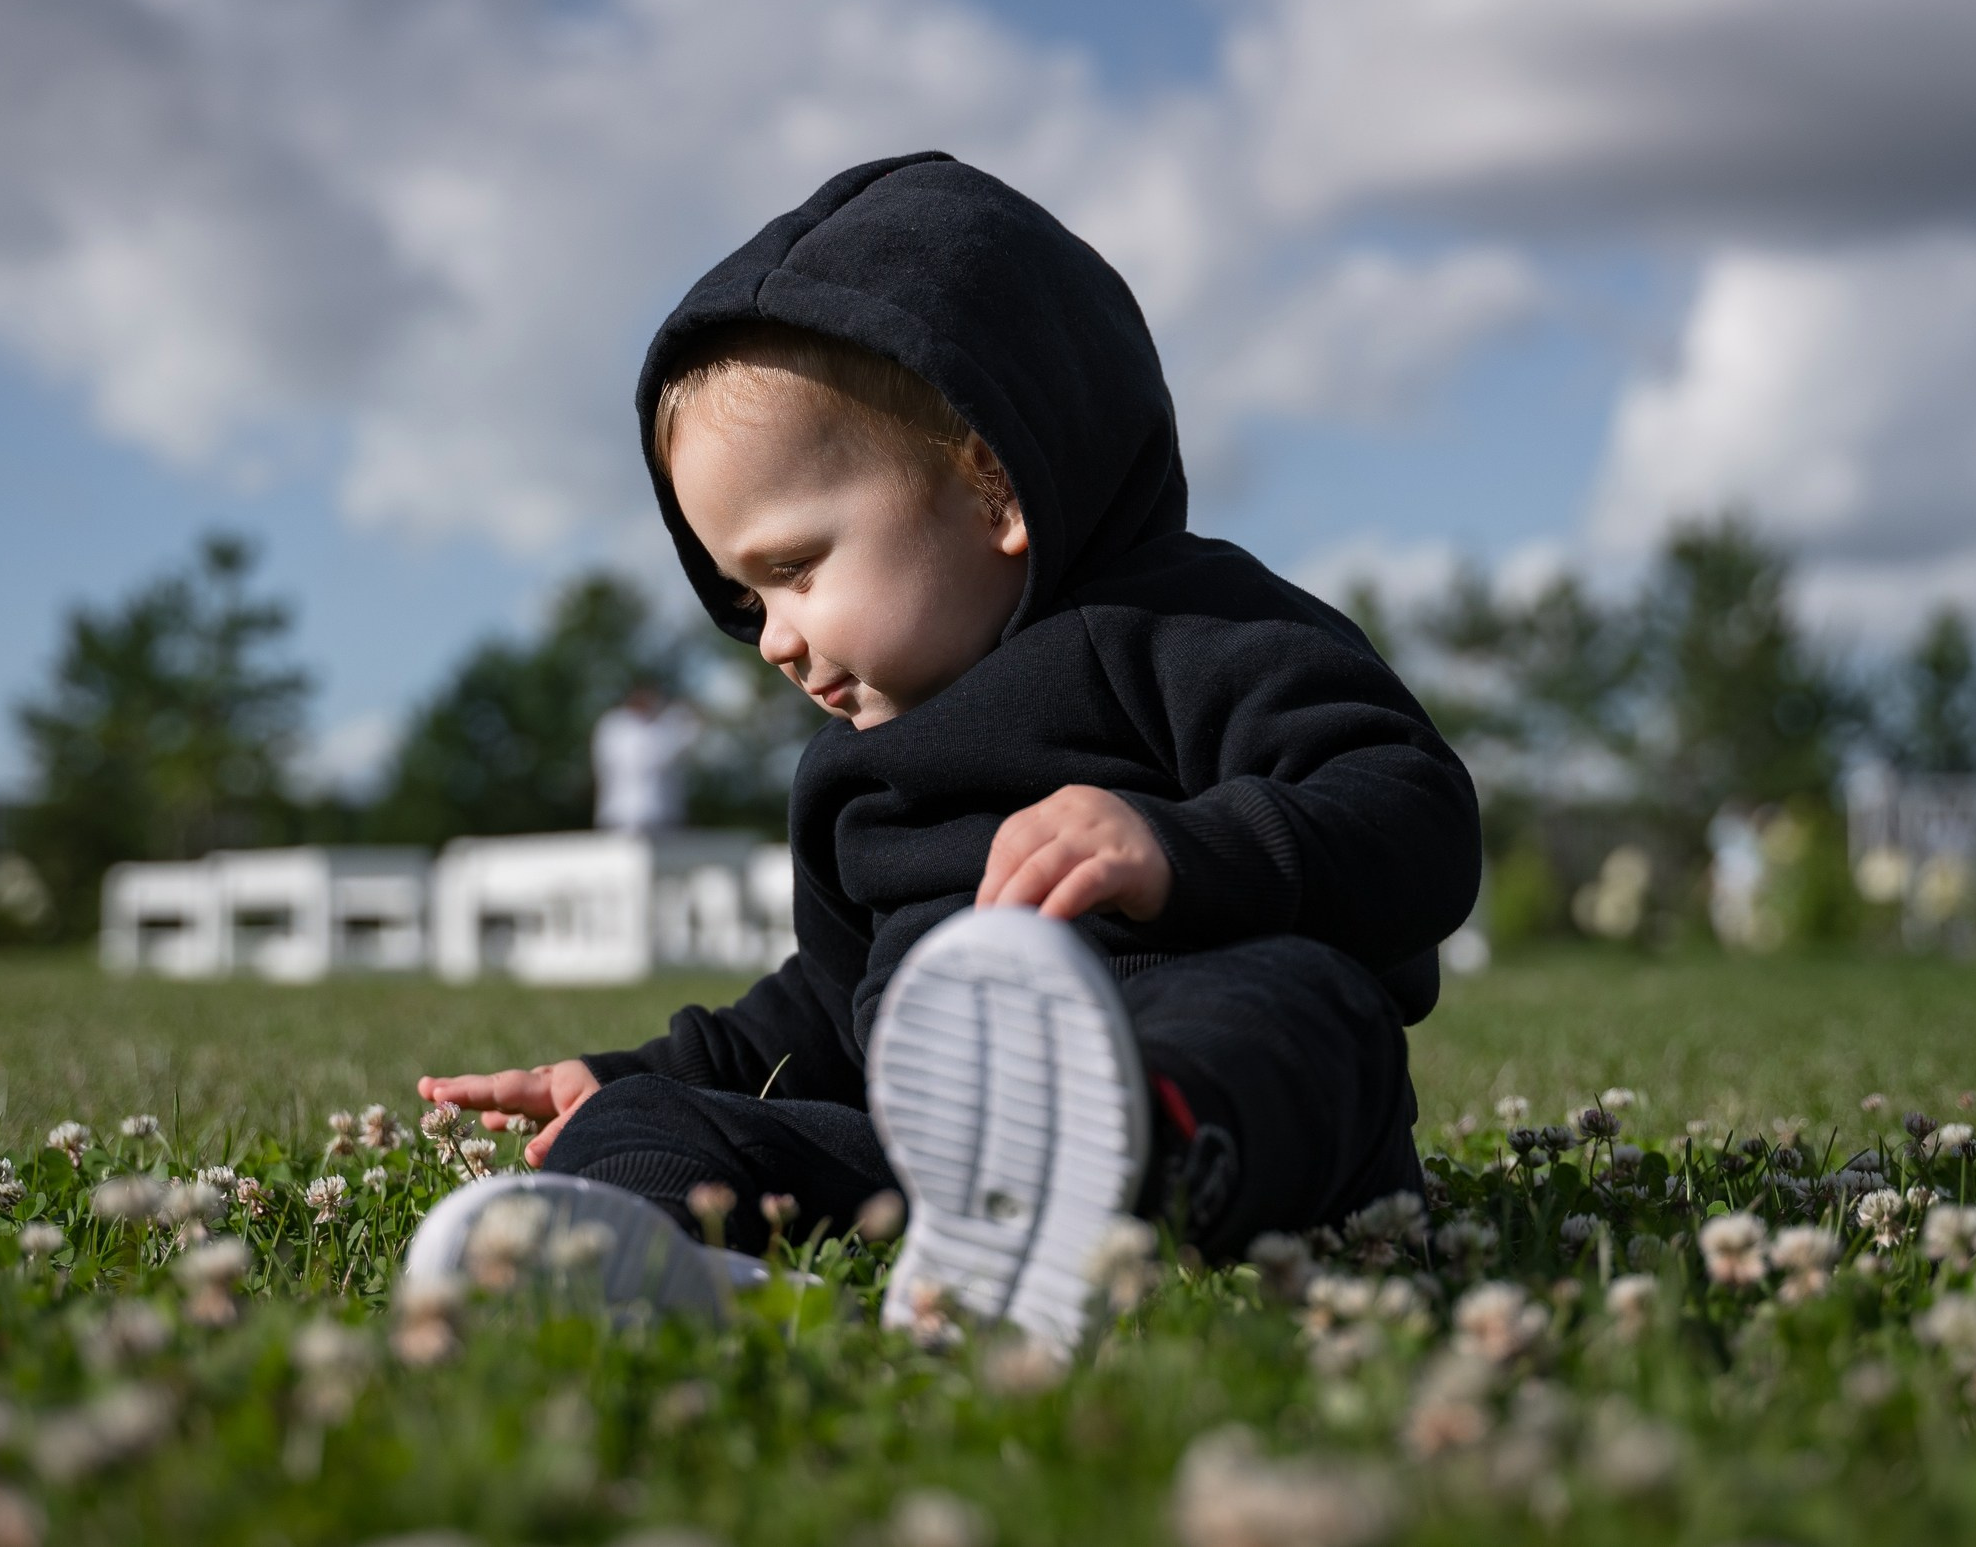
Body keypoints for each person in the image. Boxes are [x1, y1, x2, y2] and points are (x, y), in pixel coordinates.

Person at [416, 153, 1481, 1349]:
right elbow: (830, 1000)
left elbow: (1415, 814)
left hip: (1204, 1098)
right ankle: (624, 1258)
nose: (770, 639)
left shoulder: (1190, 629)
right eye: (742, 596)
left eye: (794, 570)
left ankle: (1114, 1173)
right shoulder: (849, 776)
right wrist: (629, 1072)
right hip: (931, 1149)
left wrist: (1182, 846)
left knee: (1303, 1008)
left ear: (990, 485)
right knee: (660, 1118)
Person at [590, 682, 700, 834]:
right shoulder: (617, 726)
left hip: (659, 815)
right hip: (625, 814)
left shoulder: (657, 727)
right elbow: (651, 759)